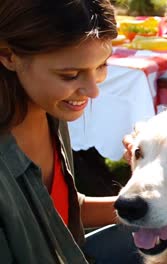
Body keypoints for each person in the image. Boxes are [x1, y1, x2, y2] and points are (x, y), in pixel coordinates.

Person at [0, 0, 140, 263]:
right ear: (9, 56)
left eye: (101, 66)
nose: (93, 90)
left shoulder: (51, 112)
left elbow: (57, 208)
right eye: (70, 74)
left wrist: (155, 202)